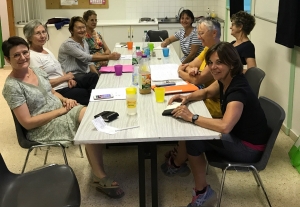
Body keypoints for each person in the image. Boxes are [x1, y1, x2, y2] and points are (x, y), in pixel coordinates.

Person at [2, 36, 124, 199]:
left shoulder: (36, 71)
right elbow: (28, 123)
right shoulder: (12, 87)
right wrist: (60, 111)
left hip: (60, 111)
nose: (23, 57)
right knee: (89, 125)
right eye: (16, 55)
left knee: (93, 118)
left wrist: (65, 100)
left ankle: (98, 168)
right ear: (7, 59)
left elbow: (51, 92)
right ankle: (100, 176)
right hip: (42, 127)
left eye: (25, 52)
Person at [167, 42, 270, 206]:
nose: (213, 67)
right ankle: (179, 163)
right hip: (239, 136)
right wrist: (187, 97)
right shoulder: (226, 78)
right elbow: (207, 92)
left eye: (219, 62)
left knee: (194, 138)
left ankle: (203, 192)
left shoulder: (237, 90)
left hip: (248, 148)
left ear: (232, 63)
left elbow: (225, 126)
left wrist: (192, 117)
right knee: (194, 132)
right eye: (210, 63)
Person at [23, 20, 90, 106]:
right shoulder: (32, 56)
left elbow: (59, 68)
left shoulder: (46, 50)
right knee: (85, 93)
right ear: (29, 38)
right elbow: (43, 83)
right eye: (38, 33)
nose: (43, 36)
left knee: (92, 78)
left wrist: (69, 79)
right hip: (57, 90)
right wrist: (65, 78)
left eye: (44, 32)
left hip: (66, 83)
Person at [58, 16, 118, 90]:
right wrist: (109, 57)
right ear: (71, 30)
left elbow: (89, 63)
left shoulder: (84, 41)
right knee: (93, 78)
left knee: (101, 77)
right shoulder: (68, 44)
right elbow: (86, 57)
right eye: (79, 28)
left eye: (84, 27)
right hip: (72, 75)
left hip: (84, 73)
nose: (82, 30)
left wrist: (98, 75)